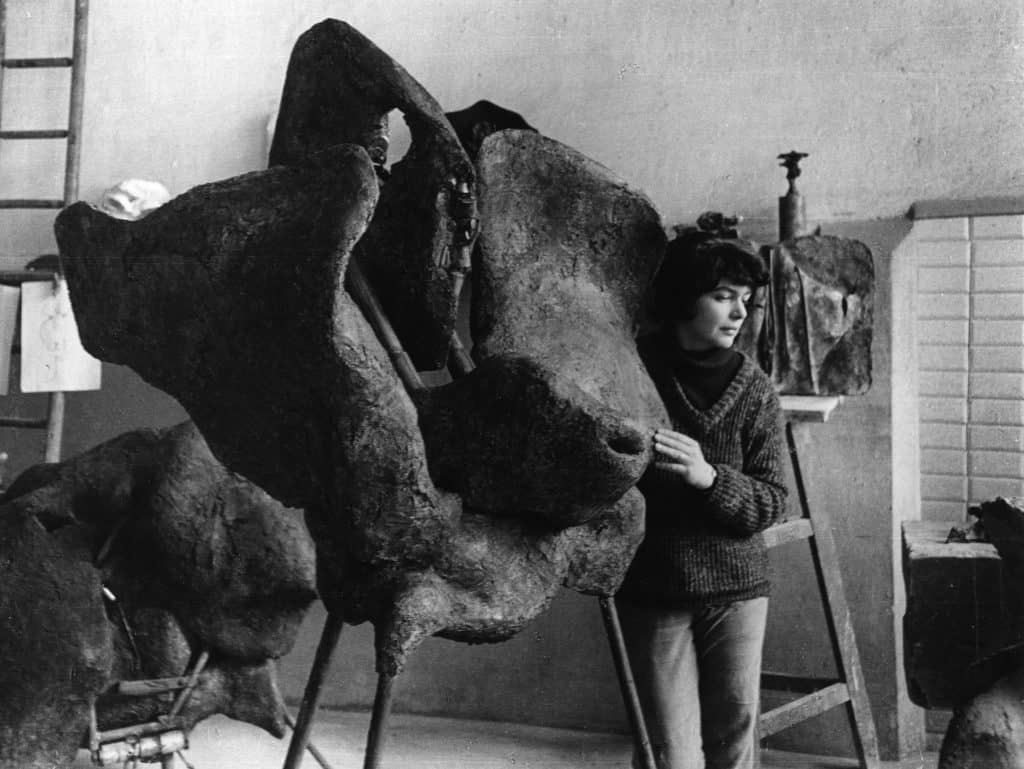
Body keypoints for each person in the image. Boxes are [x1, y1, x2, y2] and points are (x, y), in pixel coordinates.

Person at [617, 234, 789, 769]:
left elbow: (772, 502)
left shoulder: (755, 389)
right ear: (684, 297)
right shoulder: (632, 372)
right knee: (669, 754)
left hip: (737, 592)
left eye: (746, 299)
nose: (740, 312)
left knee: (734, 744)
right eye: (722, 295)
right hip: (653, 588)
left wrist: (709, 477)